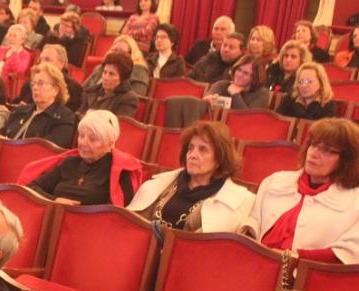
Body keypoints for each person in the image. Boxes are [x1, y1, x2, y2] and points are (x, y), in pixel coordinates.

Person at [241, 118, 359, 264]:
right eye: (313, 144)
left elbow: (350, 252)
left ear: (346, 160)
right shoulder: (274, 181)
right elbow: (253, 222)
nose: (314, 153)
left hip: (310, 274)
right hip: (256, 264)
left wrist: (296, 256)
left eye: (326, 150)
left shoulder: (355, 201)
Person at [127, 121, 254, 232]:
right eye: (190, 148)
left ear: (219, 159)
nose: (192, 155)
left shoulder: (236, 202)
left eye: (203, 150)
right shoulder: (162, 183)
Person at [25, 110, 141, 205]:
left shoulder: (119, 171)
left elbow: (118, 214)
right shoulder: (70, 163)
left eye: (92, 139)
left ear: (110, 144)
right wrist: (54, 200)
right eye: (81, 136)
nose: (83, 143)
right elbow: (31, 187)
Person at [1, 62, 75, 147]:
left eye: (40, 83)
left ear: (55, 90)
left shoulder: (64, 117)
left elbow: (46, 150)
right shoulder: (19, 111)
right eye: (33, 84)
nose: (35, 87)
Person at [13, 44, 83, 111]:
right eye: (40, 60)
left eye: (47, 60)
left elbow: (68, 115)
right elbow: (17, 102)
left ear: (61, 64)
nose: (42, 63)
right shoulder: (31, 82)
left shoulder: (73, 88)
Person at [83, 35, 151, 96]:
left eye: (121, 51)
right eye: (114, 50)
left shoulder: (139, 71)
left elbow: (138, 96)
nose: (116, 54)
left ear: (131, 53)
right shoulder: (100, 67)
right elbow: (83, 89)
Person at [79, 52, 140, 118]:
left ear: (123, 78)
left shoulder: (128, 99)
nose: (106, 77)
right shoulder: (91, 91)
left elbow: (116, 123)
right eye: (104, 72)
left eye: (111, 74)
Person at [204, 54, 271, 110]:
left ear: (255, 77)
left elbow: (247, 118)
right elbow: (207, 100)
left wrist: (235, 95)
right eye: (239, 70)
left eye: (246, 73)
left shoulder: (262, 94)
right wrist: (208, 100)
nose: (239, 75)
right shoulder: (221, 85)